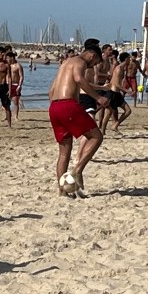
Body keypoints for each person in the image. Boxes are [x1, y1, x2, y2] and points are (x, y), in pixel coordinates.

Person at [47, 38, 109, 197]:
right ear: (92, 55)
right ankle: (78, 170)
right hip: (68, 105)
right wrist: (98, 97)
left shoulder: (65, 63)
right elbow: (79, 79)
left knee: (64, 151)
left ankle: (62, 191)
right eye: (95, 63)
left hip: (54, 107)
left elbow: (51, 91)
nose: (93, 66)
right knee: (96, 136)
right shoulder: (80, 62)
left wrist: (57, 108)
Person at [8, 51, 25, 120]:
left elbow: (21, 76)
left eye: (8, 58)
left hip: (15, 84)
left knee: (15, 101)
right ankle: (7, 115)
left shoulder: (18, 66)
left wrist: (19, 85)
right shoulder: (8, 65)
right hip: (8, 84)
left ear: (12, 58)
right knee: (6, 101)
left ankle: (15, 116)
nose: (7, 59)